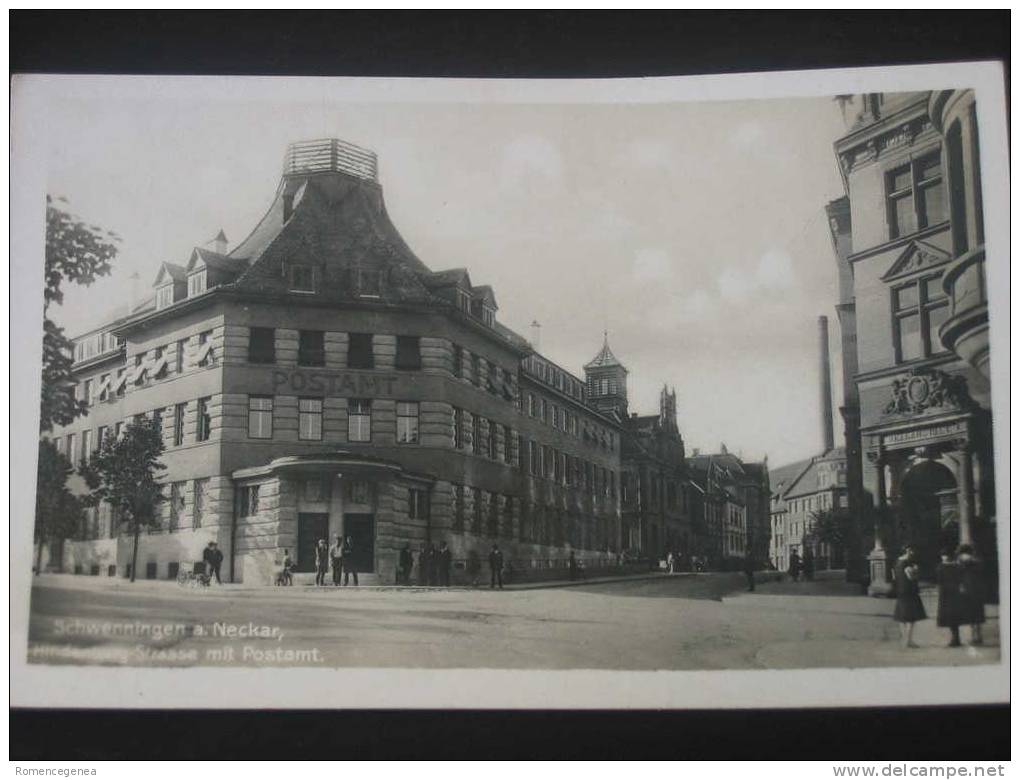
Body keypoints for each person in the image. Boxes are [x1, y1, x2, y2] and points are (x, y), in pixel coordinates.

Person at [893, 546, 926, 648]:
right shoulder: (907, 563)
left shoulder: (897, 562)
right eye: (911, 550)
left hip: (900, 590)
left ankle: (904, 639)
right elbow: (910, 576)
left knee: (901, 616)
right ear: (907, 551)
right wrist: (916, 571)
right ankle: (909, 640)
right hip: (909, 591)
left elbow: (894, 577)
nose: (912, 552)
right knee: (911, 617)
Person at [956, 544, 986, 646]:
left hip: (968, 590)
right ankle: (979, 636)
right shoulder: (977, 562)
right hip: (977, 590)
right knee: (978, 613)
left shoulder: (962, 562)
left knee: (971, 614)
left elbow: (959, 574)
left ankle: (974, 637)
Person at [935, 549, 963, 647]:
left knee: (952, 616)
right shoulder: (951, 566)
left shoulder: (947, 567)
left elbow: (940, 581)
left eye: (946, 555)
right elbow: (939, 581)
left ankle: (955, 639)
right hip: (947, 594)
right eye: (943, 555)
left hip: (950, 594)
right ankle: (955, 638)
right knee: (951, 616)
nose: (945, 557)